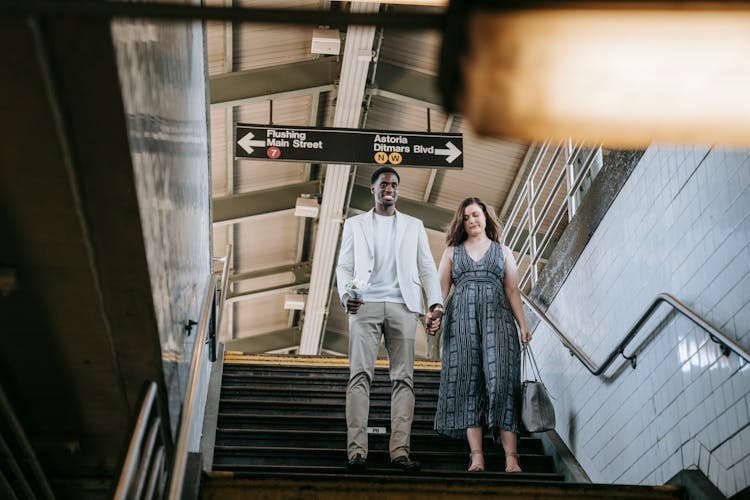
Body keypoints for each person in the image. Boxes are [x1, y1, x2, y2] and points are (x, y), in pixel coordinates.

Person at [336, 166, 444, 472]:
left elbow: (426, 266)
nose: (390, 189)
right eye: (384, 184)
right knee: (359, 377)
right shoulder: (355, 224)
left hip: (403, 306)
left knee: (403, 379)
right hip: (364, 305)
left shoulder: (414, 225)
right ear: (373, 189)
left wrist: (434, 304)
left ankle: (399, 451)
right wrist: (346, 296)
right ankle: (357, 451)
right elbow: (343, 266)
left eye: (394, 185)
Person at [433, 197, 532, 473]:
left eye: (476, 215)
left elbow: (512, 290)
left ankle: (511, 457)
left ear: (486, 217)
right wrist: (435, 316)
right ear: (461, 222)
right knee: (467, 383)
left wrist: (523, 325)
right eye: (466, 217)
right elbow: (440, 293)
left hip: (498, 321)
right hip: (461, 324)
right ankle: (476, 455)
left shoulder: (503, 251)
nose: (472, 220)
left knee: (502, 382)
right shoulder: (452, 252)